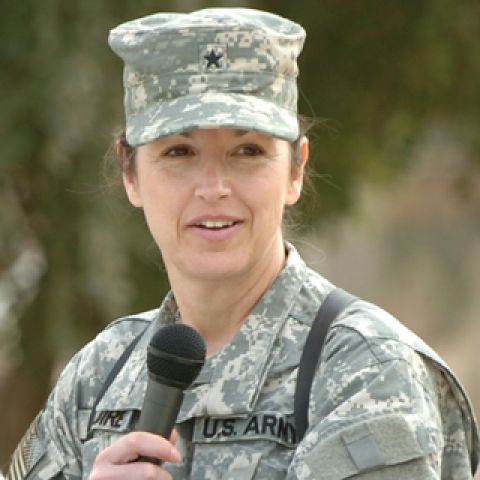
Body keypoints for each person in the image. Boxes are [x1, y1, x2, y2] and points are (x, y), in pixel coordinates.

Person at [6, 7, 479, 480]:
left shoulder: (366, 371)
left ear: (296, 170)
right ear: (130, 173)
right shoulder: (97, 377)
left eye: (248, 151)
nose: (213, 187)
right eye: (178, 151)